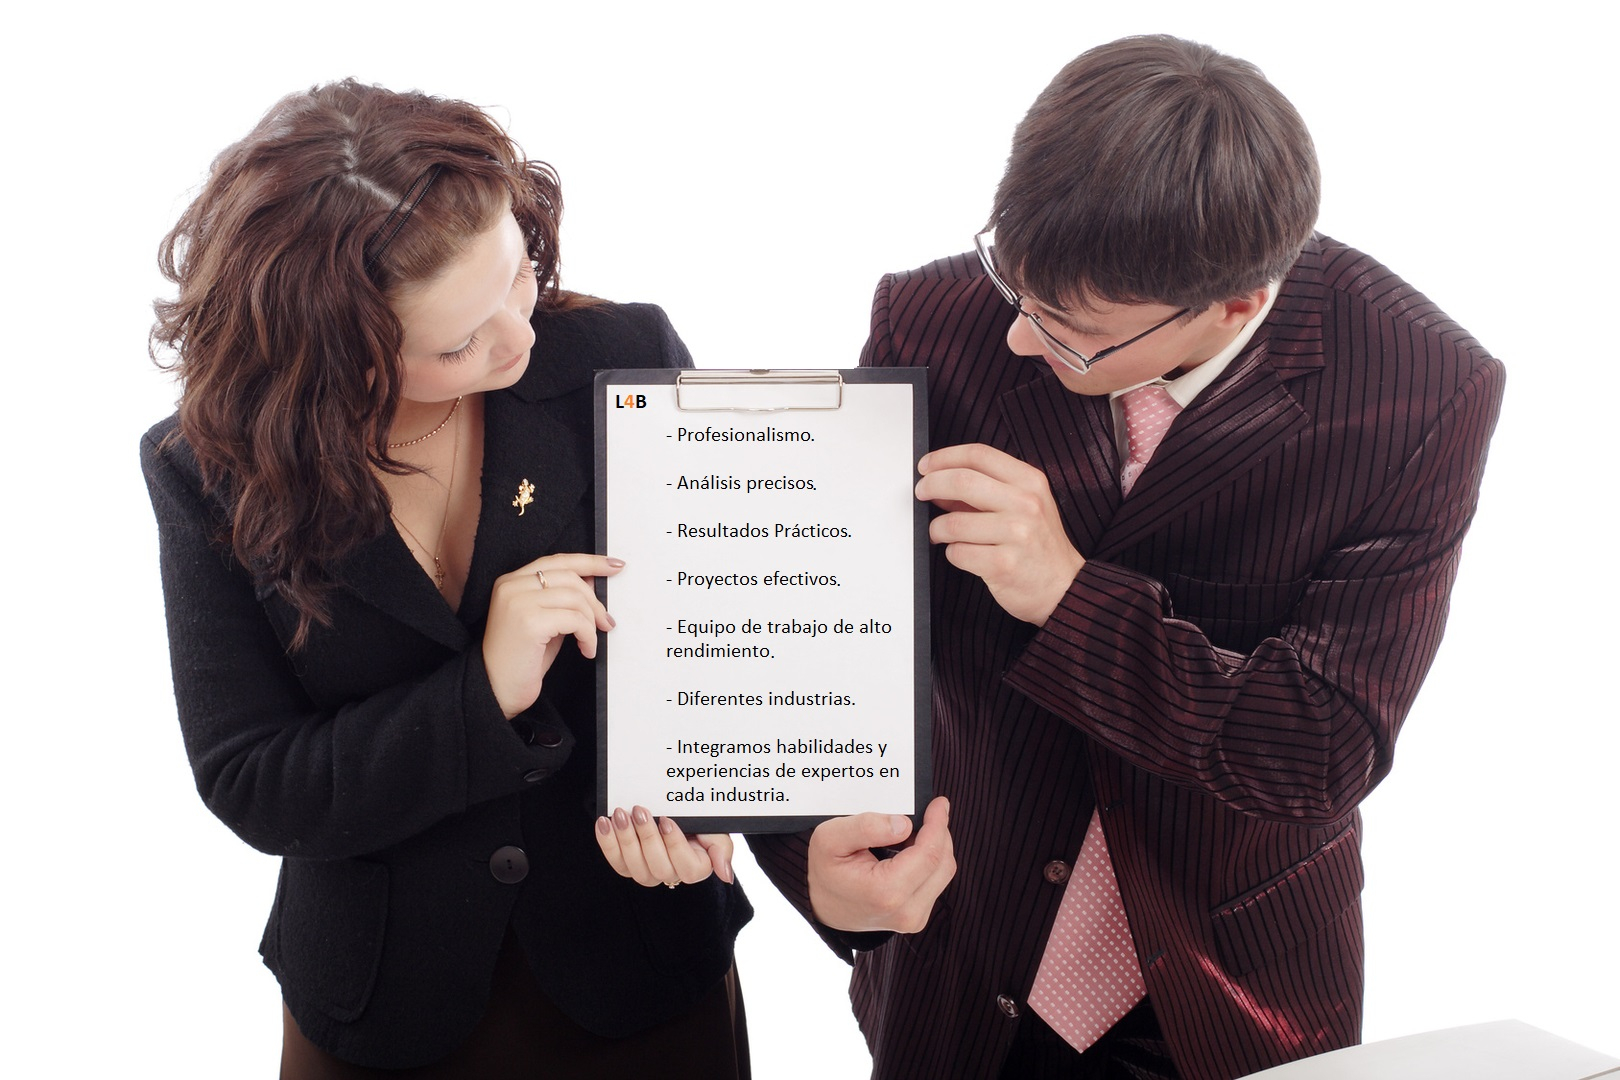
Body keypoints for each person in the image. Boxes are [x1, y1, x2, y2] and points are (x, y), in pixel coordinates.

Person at [749, 34, 1505, 1080]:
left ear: (1238, 303)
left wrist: (1067, 597)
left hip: (1230, 985)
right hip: (964, 966)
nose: (1019, 339)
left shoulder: (1421, 389)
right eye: (1016, 289)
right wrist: (809, 864)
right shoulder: (934, 318)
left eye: (1072, 331)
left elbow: (1320, 747)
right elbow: (807, 628)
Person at [141, 80, 752, 1078]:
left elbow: (728, 628)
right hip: (383, 1001)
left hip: (636, 959)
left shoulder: (624, 357)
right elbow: (253, 779)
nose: (519, 339)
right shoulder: (207, 467)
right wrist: (485, 693)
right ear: (333, 364)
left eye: (515, 276)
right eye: (458, 343)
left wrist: (716, 790)